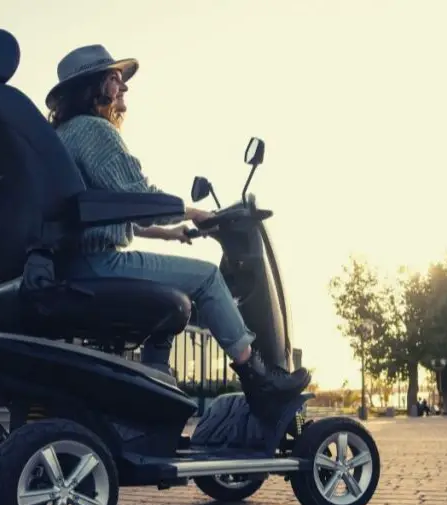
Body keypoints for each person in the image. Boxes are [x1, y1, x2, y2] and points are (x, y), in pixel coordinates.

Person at [44, 44, 310, 414]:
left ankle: (156, 378)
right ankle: (258, 377)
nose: (124, 89)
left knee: (173, 296)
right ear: (100, 87)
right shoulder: (94, 131)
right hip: (95, 263)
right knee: (205, 279)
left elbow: (109, 211)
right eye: (116, 80)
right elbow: (138, 197)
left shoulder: (64, 134)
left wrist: (171, 234)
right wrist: (189, 212)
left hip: (75, 262)